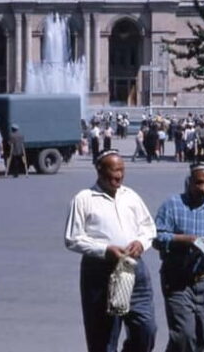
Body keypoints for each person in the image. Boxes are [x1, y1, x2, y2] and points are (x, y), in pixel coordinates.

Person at [64, 150, 157, 352]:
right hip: (101, 274)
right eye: (114, 170)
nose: (119, 175)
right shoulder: (84, 198)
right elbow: (72, 239)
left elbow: (148, 227)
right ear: (100, 170)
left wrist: (141, 243)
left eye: (122, 170)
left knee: (146, 330)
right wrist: (105, 250)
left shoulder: (130, 195)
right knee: (103, 338)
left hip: (132, 271)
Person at [153, 164, 204, 352]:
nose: (203, 188)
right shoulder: (172, 205)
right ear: (189, 182)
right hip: (177, 280)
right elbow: (156, 237)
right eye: (199, 182)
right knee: (183, 335)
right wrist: (185, 240)